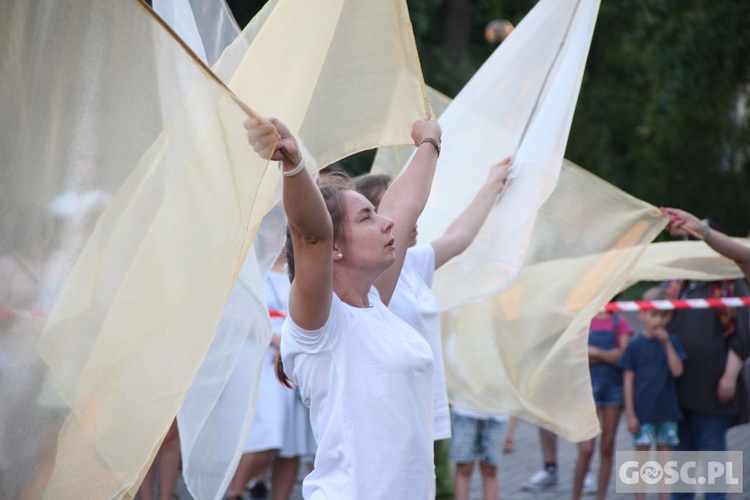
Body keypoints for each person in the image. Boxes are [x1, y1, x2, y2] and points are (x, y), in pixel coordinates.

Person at [246, 114, 441, 498]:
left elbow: (404, 207)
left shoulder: (374, 304)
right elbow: (311, 235)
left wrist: (429, 142)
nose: (387, 224)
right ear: (335, 248)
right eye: (368, 216)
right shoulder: (321, 324)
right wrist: (294, 164)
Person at [355, 157, 511, 498]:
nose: (413, 218)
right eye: (398, 211)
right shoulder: (368, 278)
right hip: (390, 416)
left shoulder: (413, 263)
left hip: (431, 409)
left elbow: (460, 235)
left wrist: (492, 184)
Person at [661, 209, 750, 500]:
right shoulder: (679, 284)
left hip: (714, 387)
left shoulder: (730, 283)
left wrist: (729, 376)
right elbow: (656, 320)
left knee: (712, 456)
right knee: (683, 459)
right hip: (680, 386)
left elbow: (742, 336)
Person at [226, 252, 317, 500]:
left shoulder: (300, 267)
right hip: (264, 357)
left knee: (293, 439)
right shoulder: (252, 269)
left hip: (296, 357)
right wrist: (277, 342)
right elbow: (236, 315)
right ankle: (235, 492)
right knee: (270, 430)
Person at [619, 287, 687, 500]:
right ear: (643, 315)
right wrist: (630, 414)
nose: (658, 320)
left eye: (663, 315)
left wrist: (667, 343)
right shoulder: (635, 345)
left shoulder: (672, 341)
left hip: (666, 411)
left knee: (664, 463)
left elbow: (677, 371)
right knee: (641, 461)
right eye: (653, 314)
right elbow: (628, 380)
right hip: (643, 412)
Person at [573, 310, 632, 500]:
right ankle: (575, 495)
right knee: (586, 448)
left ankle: (601, 496)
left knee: (607, 446)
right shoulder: (584, 320)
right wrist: (607, 354)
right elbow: (576, 353)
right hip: (588, 388)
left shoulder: (619, 321)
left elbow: (623, 357)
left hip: (613, 390)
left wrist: (593, 352)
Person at [449, 405, 513, 500]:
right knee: (464, 467)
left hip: (498, 413)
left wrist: (510, 431)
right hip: (465, 409)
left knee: (491, 469)